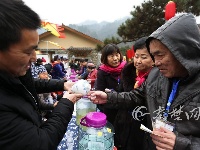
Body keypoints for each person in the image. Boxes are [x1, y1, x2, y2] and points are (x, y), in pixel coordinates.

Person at [88, 13, 200, 150]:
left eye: (160, 55)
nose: (156, 62)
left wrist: (182, 144)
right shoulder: (157, 76)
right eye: (153, 56)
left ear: (182, 51)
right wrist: (109, 97)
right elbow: (137, 96)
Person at [0, 1, 82, 149]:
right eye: (27, 51)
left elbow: (30, 85)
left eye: (35, 50)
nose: (34, 58)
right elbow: (42, 143)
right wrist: (66, 103)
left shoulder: (13, 73)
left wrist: (62, 84)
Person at [115, 37, 154, 150]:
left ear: (154, 58)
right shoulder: (128, 71)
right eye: (136, 56)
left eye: (144, 57)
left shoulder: (157, 77)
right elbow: (121, 93)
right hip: (124, 121)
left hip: (143, 126)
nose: (138, 61)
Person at [95, 43, 126, 146]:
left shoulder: (126, 68)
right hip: (110, 111)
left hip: (125, 108)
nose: (115, 58)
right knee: (111, 135)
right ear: (105, 58)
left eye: (117, 54)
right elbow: (99, 91)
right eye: (111, 56)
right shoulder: (102, 72)